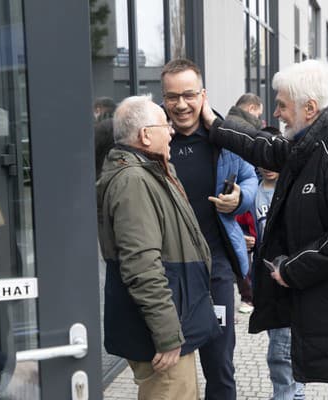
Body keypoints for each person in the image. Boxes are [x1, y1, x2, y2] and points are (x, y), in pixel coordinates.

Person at [200, 59, 328, 400]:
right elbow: (267, 148)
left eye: (282, 105)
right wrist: (216, 126)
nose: (278, 113)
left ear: (309, 108)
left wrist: (293, 269)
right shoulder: (318, 139)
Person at [97, 95, 221, 400]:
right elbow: (141, 266)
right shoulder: (134, 181)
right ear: (144, 135)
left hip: (172, 325)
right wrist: (167, 336)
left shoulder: (151, 171)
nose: (172, 131)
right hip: (161, 336)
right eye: (164, 124)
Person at [161, 59, 258, 400]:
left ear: (202, 94)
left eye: (189, 94)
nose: (181, 104)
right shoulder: (155, 137)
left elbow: (250, 179)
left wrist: (240, 198)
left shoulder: (224, 135)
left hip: (215, 266)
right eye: (172, 97)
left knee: (219, 363)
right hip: (168, 270)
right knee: (173, 367)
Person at [250, 126, 305, 400]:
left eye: (274, 160)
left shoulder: (294, 190)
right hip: (268, 289)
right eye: (263, 160)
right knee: (286, 360)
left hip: (288, 287)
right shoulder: (253, 192)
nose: (267, 167)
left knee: (282, 360)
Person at [226, 92, 264, 314]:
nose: (259, 118)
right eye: (258, 114)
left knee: (243, 241)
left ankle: (248, 296)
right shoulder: (246, 129)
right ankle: (249, 296)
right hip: (242, 195)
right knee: (248, 241)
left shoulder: (226, 124)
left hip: (235, 192)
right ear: (251, 109)